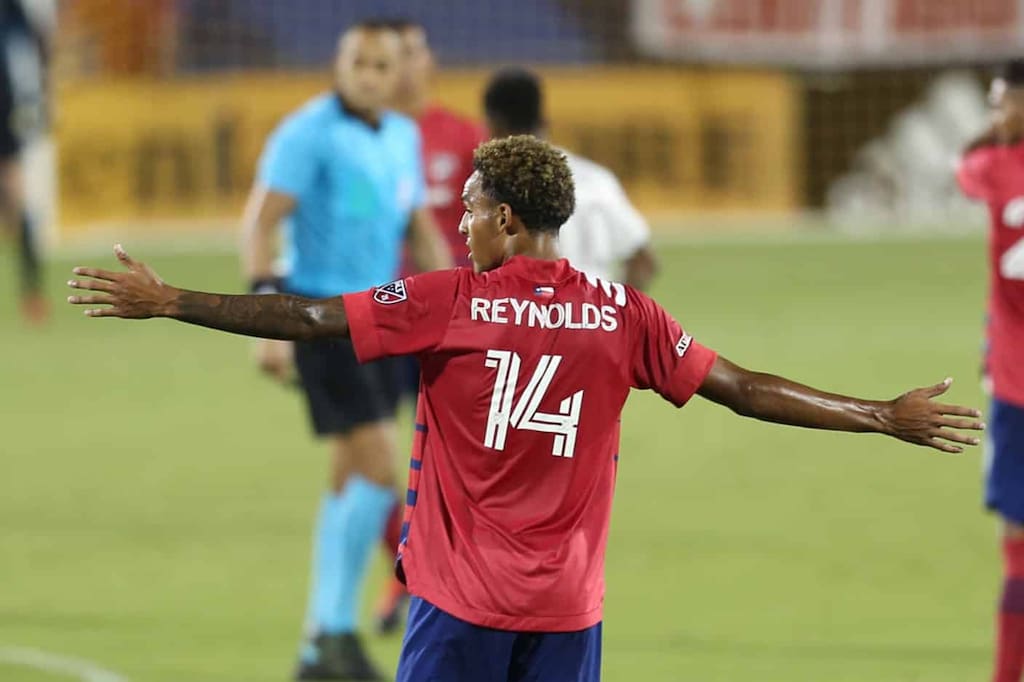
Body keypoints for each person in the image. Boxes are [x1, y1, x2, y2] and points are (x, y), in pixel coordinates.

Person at [69, 135, 984, 682]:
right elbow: (741, 392)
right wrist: (879, 415)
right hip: (566, 614)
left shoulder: (450, 302)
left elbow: (309, 318)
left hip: (458, 608)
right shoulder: (625, 314)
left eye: (468, 208)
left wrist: (173, 301)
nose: (457, 222)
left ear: (506, 219)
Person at [239, 19, 450, 681]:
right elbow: (260, 224)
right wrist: (268, 322)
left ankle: (317, 644)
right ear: (339, 63)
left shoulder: (401, 137)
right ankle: (334, 631)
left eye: (379, 65)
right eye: (356, 60)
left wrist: (464, 301)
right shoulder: (308, 132)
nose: (366, 74)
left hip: (383, 320)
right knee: (381, 463)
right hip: (322, 318)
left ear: (396, 77)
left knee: (350, 475)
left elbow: (417, 229)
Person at [375, 18, 485, 635]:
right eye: (395, 55)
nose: (406, 65)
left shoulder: (463, 134)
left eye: (413, 52)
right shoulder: (365, 139)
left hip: (456, 322)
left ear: (429, 59)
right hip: (383, 313)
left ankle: (426, 580)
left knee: (452, 464)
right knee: (371, 462)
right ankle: (405, 572)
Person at [957, 59, 1024, 682]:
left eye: (1002, 101)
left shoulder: (994, 166)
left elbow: (964, 167)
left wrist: (987, 137)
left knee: (1016, 549)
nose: (995, 113)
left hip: (1013, 383)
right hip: (1010, 380)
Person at [483, 67, 657, 290]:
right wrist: (615, 315)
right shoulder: (596, 179)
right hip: (591, 315)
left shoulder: (491, 189)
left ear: (492, 126)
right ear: (544, 122)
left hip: (533, 317)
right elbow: (643, 262)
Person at [0, 0, 51, 324]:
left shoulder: (13, 11)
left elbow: (35, 51)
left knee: (15, 204)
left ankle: (32, 293)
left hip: (5, 120)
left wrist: (36, 103)